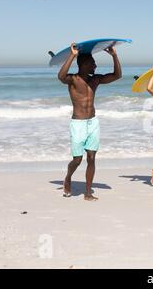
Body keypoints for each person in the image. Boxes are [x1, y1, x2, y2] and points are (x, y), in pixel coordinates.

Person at [58, 43, 122, 201]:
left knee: (92, 158)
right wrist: (72, 55)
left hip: (93, 122)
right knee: (77, 159)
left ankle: (88, 192)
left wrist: (114, 55)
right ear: (83, 65)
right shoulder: (73, 80)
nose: (95, 65)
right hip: (78, 123)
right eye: (92, 63)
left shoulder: (96, 80)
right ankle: (68, 178)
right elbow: (60, 77)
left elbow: (117, 76)